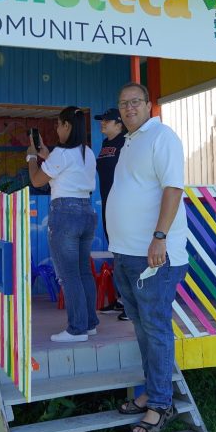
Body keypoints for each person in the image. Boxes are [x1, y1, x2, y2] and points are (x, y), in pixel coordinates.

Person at [106, 82, 188, 432]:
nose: (128, 108)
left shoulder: (162, 137)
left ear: (149, 104)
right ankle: (151, 391)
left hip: (153, 254)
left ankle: (160, 404)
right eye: (123, 104)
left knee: (155, 328)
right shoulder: (129, 140)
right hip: (126, 252)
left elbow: (173, 188)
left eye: (135, 102)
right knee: (141, 327)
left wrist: (159, 237)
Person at [27, 106, 99, 342]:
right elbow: (68, 170)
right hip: (87, 211)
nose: (56, 129)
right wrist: (47, 155)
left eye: (58, 124)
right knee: (82, 272)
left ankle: (76, 329)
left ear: (67, 125)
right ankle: (89, 324)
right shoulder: (87, 152)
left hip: (65, 214)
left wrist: (31, 157)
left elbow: (37, 180)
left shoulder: (62, 153)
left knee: (69, 275)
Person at [94, 107, 129, 319]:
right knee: (116, 251)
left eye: (107, 120)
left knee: (127, 253)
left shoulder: (126, 143)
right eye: (102, 120)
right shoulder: (106, 144)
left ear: (119, 123)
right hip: (108, 205)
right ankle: (121, 299)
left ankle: (131, 305)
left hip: (124, 207)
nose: (102, 123)